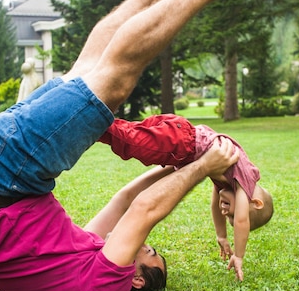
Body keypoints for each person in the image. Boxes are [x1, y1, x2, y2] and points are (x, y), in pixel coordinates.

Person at [0, 0, 276, 291]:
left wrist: (201, 169)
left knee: (115, 81)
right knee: (89, 72)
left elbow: (142, 211)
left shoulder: (104, 285)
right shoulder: (79, 264)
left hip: (2, 173)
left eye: (150, 252)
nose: (144, 243)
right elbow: (124, 202)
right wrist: (183, 166)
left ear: (136, 278)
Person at [99, 114, 274, 281]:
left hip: (181, 136)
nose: (225, 211)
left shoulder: (227, 179)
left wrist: (221, 236)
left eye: (228, 216)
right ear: (255, 203)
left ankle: (97, 119)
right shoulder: (246, 181)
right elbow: (242, 221)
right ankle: (93, 124)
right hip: (183, 142)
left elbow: (214, 205)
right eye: (232, 215)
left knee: (134, 132)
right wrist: (239, 255)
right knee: (132, 142)